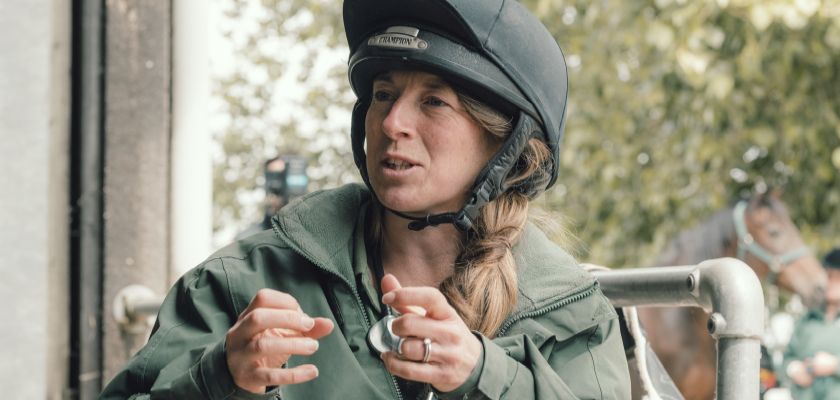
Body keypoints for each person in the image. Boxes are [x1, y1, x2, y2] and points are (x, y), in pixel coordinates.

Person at [100, 0, 631, 399]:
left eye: (433, 102)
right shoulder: (243, 282)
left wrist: (483, 373)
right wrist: (217, 377)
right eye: (383, 95)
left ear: (505, 144)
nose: (394, 123)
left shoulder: (573, 317)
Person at [783, 248, 840, 400]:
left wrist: (835, 365)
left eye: (838, 277)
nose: (832, 282)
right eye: (829, 276)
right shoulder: (807, 320)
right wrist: (793, 369)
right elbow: (788, 357)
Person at [236, 155, 309, 240]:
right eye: (275, 177)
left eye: (286, 175)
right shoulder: (247, 240)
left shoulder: (317, 234)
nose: (282, 186)